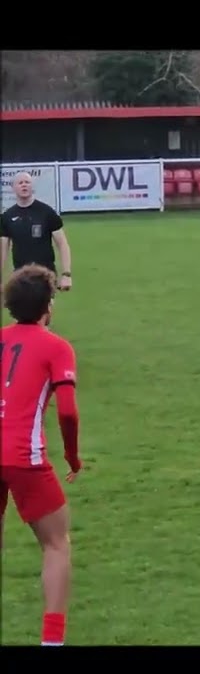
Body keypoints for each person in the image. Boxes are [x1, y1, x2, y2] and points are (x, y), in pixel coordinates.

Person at [1, 264, 84, 646]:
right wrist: (72, 456)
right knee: (55, 543)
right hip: (25, 458)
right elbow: (66, 410)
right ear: (48, 306)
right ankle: (52, 641)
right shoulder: (56, 346)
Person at [1, 171, 73, 289]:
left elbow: (62, 244)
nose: (24, 185)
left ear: (32, 186)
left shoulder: (46, 212)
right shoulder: (7, 216)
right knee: (22, 308)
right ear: (13, 188)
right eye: (20, 183)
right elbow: (3, 250)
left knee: (44, 308)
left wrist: (66, 274)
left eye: (27, 182)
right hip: (20, 277)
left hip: (46, 275)